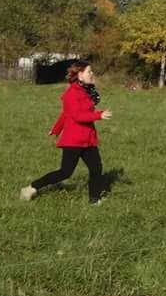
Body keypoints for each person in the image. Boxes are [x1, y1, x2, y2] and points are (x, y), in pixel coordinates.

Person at [21, 60, 112, 206]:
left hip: (88, 139)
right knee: (65, 172)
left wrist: (56, 128)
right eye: (89, 71)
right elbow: (76, 116)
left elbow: (66, 114)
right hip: (74, 140)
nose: (92, 73)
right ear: (80, 75)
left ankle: (94, 199)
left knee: (96, 168)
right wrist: (98, 115)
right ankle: (32, 188)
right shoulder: (71, 94)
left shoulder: (86, 90)